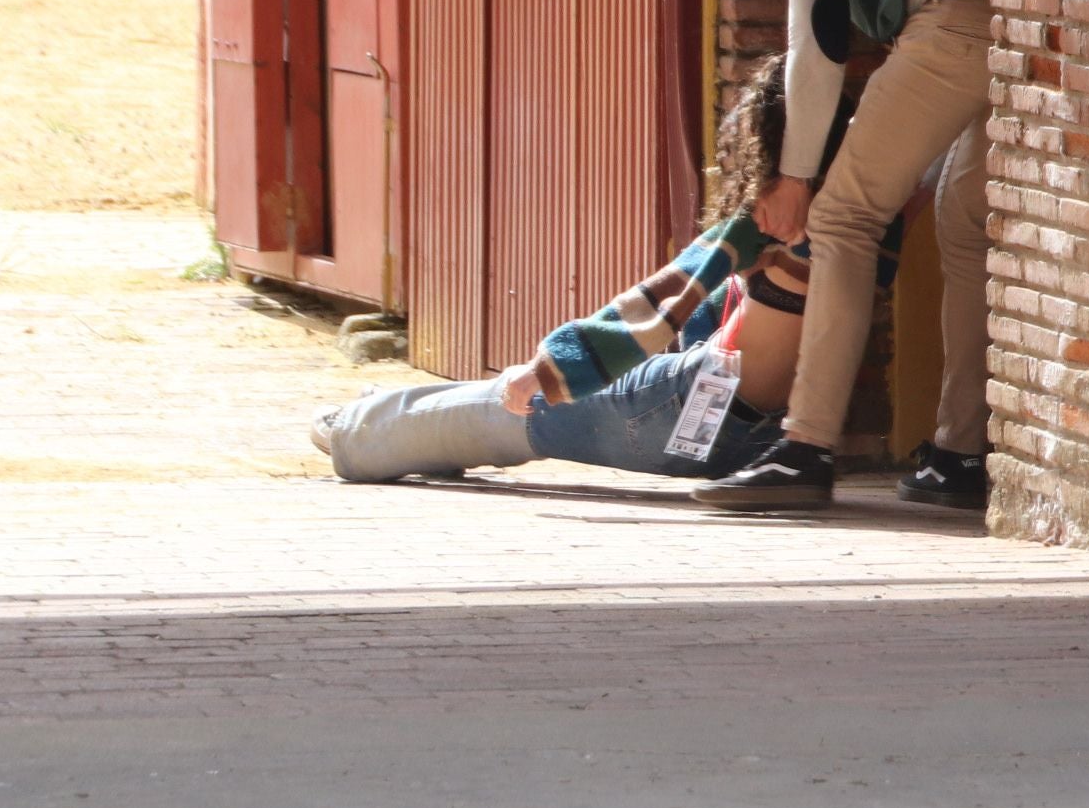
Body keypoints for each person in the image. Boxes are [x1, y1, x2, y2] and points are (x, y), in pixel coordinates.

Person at [310, 55, 904, 486]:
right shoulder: (874, 215)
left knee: (511, 403)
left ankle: (355, 432)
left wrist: (550, 369)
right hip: (764, 435)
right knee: (515, 401)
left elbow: (656, 305)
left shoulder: (770, 218)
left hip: (689, 405)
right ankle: (399, 410)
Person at [689, 0, 995, 512]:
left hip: (954, 19)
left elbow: (822, 29)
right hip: (1042, 20)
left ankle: (804, 450)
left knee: (843, 220)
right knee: (965, 223)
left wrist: (795, 177)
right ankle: (958, 457)